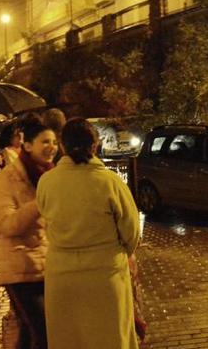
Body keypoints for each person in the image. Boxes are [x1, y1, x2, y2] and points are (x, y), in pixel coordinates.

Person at [36, 118, 140, 348]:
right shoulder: (110, 182)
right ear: (95, 145)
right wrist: (122, 253)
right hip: (105, 277)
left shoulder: (46, 182)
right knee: (110, 339)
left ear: (62, 146)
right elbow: (131, 231)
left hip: (61, 277)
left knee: (70, 340)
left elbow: (46, 219)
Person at [0, 116, 58, 348]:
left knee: (31, 333)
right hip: (19, 268)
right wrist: (39, 203)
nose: (52, 147)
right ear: (27, 145)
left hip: (45, 266)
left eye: (54, 142)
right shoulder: (7, 178)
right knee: (43, 333)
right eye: (45, 142)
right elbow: (6, 224)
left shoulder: (50, 176)